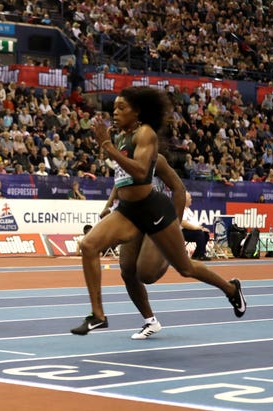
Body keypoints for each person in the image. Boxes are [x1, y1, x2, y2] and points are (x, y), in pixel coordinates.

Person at [71, 86, 246, 336]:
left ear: (138, 112)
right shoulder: (119, 137)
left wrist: (175, 222)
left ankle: (231, 288)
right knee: (94, 250)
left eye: (122, 108)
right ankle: (102, 316)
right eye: (114, 108)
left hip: (154, 210)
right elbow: (121, 180)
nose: (115, 112)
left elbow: (142, 174)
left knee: (180, 268)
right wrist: (109, 204)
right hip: (129, 210)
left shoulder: (145, 135)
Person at [100, 154, 186, 339]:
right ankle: (150, 321)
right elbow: (119, 183)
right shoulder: (123, 155)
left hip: (158, 218)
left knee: (146, 274)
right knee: (127, 270)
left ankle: (170, 253)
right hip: (133, 217)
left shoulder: (155, 159)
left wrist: (175, 227)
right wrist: (108, 205)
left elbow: (179, 188)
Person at [181, 192, 211, 261]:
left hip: (192, 231)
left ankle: (197, 254)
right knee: (199, 233)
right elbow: (183, 224)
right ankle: (200, 255)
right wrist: (197, 228)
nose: (191, 199)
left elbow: (195, 224)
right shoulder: (182, 209)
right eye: (190, 198)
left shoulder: (189, 210)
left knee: (205, 234)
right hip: (183, 232)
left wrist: (202, 228)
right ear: (185, 199)